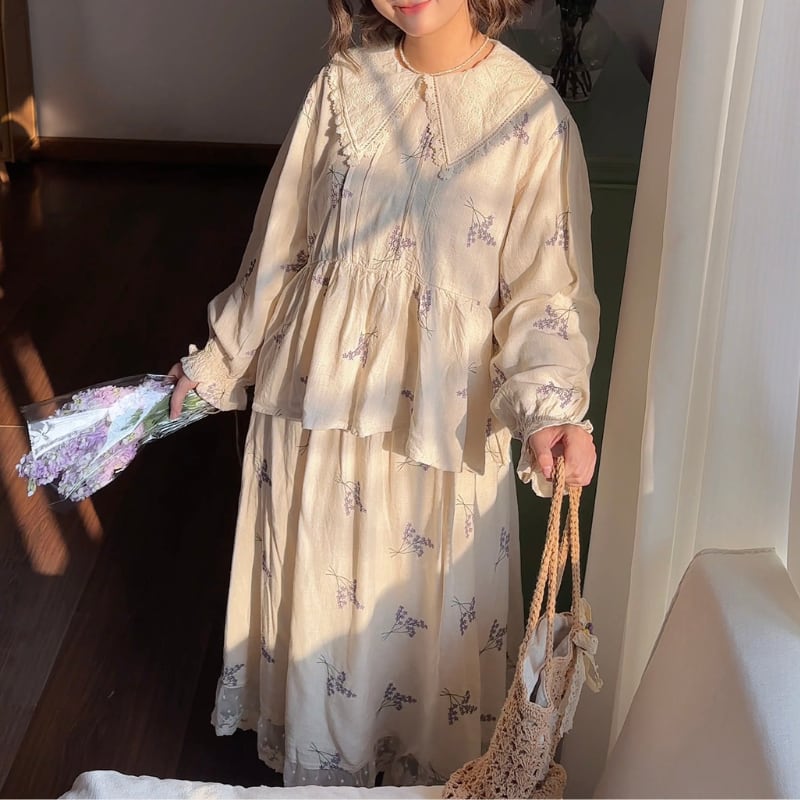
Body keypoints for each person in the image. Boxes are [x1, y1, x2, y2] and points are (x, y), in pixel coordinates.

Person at [168, 0, 599, 787]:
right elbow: (283, 244)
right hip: (317, 414)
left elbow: (545, 291)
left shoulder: (532, 116)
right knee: (321, 600)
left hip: (439, 433)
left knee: (421, 626)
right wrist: (222, 356)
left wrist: (550, 410)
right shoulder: (340, 85)